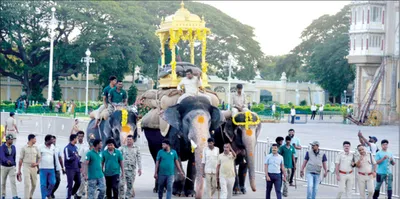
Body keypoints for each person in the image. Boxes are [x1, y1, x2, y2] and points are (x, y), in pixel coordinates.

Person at [119, 135, 142, 199]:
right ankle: (121, 197)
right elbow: (117, 157)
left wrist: (140, 168)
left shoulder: (136, 148)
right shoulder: (122, 148)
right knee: (121, 184)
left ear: (133, 140)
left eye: (130, 139)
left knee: (130, 185)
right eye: (127, 139)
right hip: (123, 170)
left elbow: (139, 159)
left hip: (131, 170)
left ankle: (127, 197)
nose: (128, 141)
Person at [18, 134, 41, 199]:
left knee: (34, 184)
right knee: (27, 184)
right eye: (35, 139)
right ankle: (26, 197)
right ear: (31, 139)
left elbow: (39, 158)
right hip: (26, 167)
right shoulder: (24, 148)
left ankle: (30, 195)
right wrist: (19, 170)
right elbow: (20, 160)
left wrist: (37, 164)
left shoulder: (36, 148)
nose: (36, 140)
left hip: (34, 168)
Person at [1, 134, 20, 199]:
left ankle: (15, 196)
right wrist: (6, 161)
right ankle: (3, 195)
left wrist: (14, 165)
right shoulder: (2, 147)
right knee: (3, 182)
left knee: (13, 182)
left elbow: (14, 156)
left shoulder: (13, 147)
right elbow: (2, 156)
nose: (12, 141)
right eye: (10, 139)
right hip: (4, 167)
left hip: (11, 167)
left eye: (12, 139)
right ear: (7, 140)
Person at [64, 134, 82, 199]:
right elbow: (67, 158)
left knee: (79, 182)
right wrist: (74, 156)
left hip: (77, 168)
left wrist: (80, 166)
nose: (77, 140)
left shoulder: (76, 147)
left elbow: (78, 157)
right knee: (70, 184)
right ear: (74, 139)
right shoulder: (67, 148)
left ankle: (72, 193)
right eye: (76, 138)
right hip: (70, 168)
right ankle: (68, 197)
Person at [38, 135, 56, 199]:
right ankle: (43, 197)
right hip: (43, 168)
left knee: (53, 183)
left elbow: (54, 157)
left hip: (51, 168)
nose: (53, 140)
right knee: (43, 184)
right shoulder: (40, 147)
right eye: (51, 139)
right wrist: (37, 167)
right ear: (47, 140)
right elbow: (37, 157)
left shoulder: (53, 147)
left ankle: (48, 194)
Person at [75, 131, 89, 198]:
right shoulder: (74, 144)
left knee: (82, 179)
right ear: (77, 136)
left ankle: (79, 193)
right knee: (76, 179)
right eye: (79, 136)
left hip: (82, 164)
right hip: (75, 164)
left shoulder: (86, 145)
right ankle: (77, 191)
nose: (80, 138)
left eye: (81, 136)